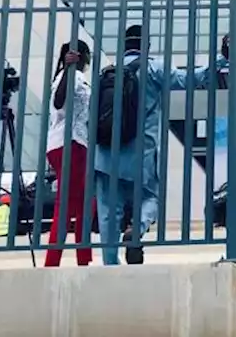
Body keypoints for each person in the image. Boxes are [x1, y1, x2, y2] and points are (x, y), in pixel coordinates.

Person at [93, 25, 227, 266]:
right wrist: (221, 59)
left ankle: (110, 265)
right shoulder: (153, 68)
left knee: (107, 215)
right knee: (151, 198)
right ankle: (138, 228)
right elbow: (191, 80)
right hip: (139, 156)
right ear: (147, 46)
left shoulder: (107, 73)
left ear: (123, 46)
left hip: (104, 156)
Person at [45, 40, 94, 267]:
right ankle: (55, 261)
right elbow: (58, 103)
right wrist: (69, 68)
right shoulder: (70, 76)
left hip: (68, 145)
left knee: (82, 203)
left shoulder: (68, 77)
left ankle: (82, 258)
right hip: (71, 144)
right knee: (68, 205)